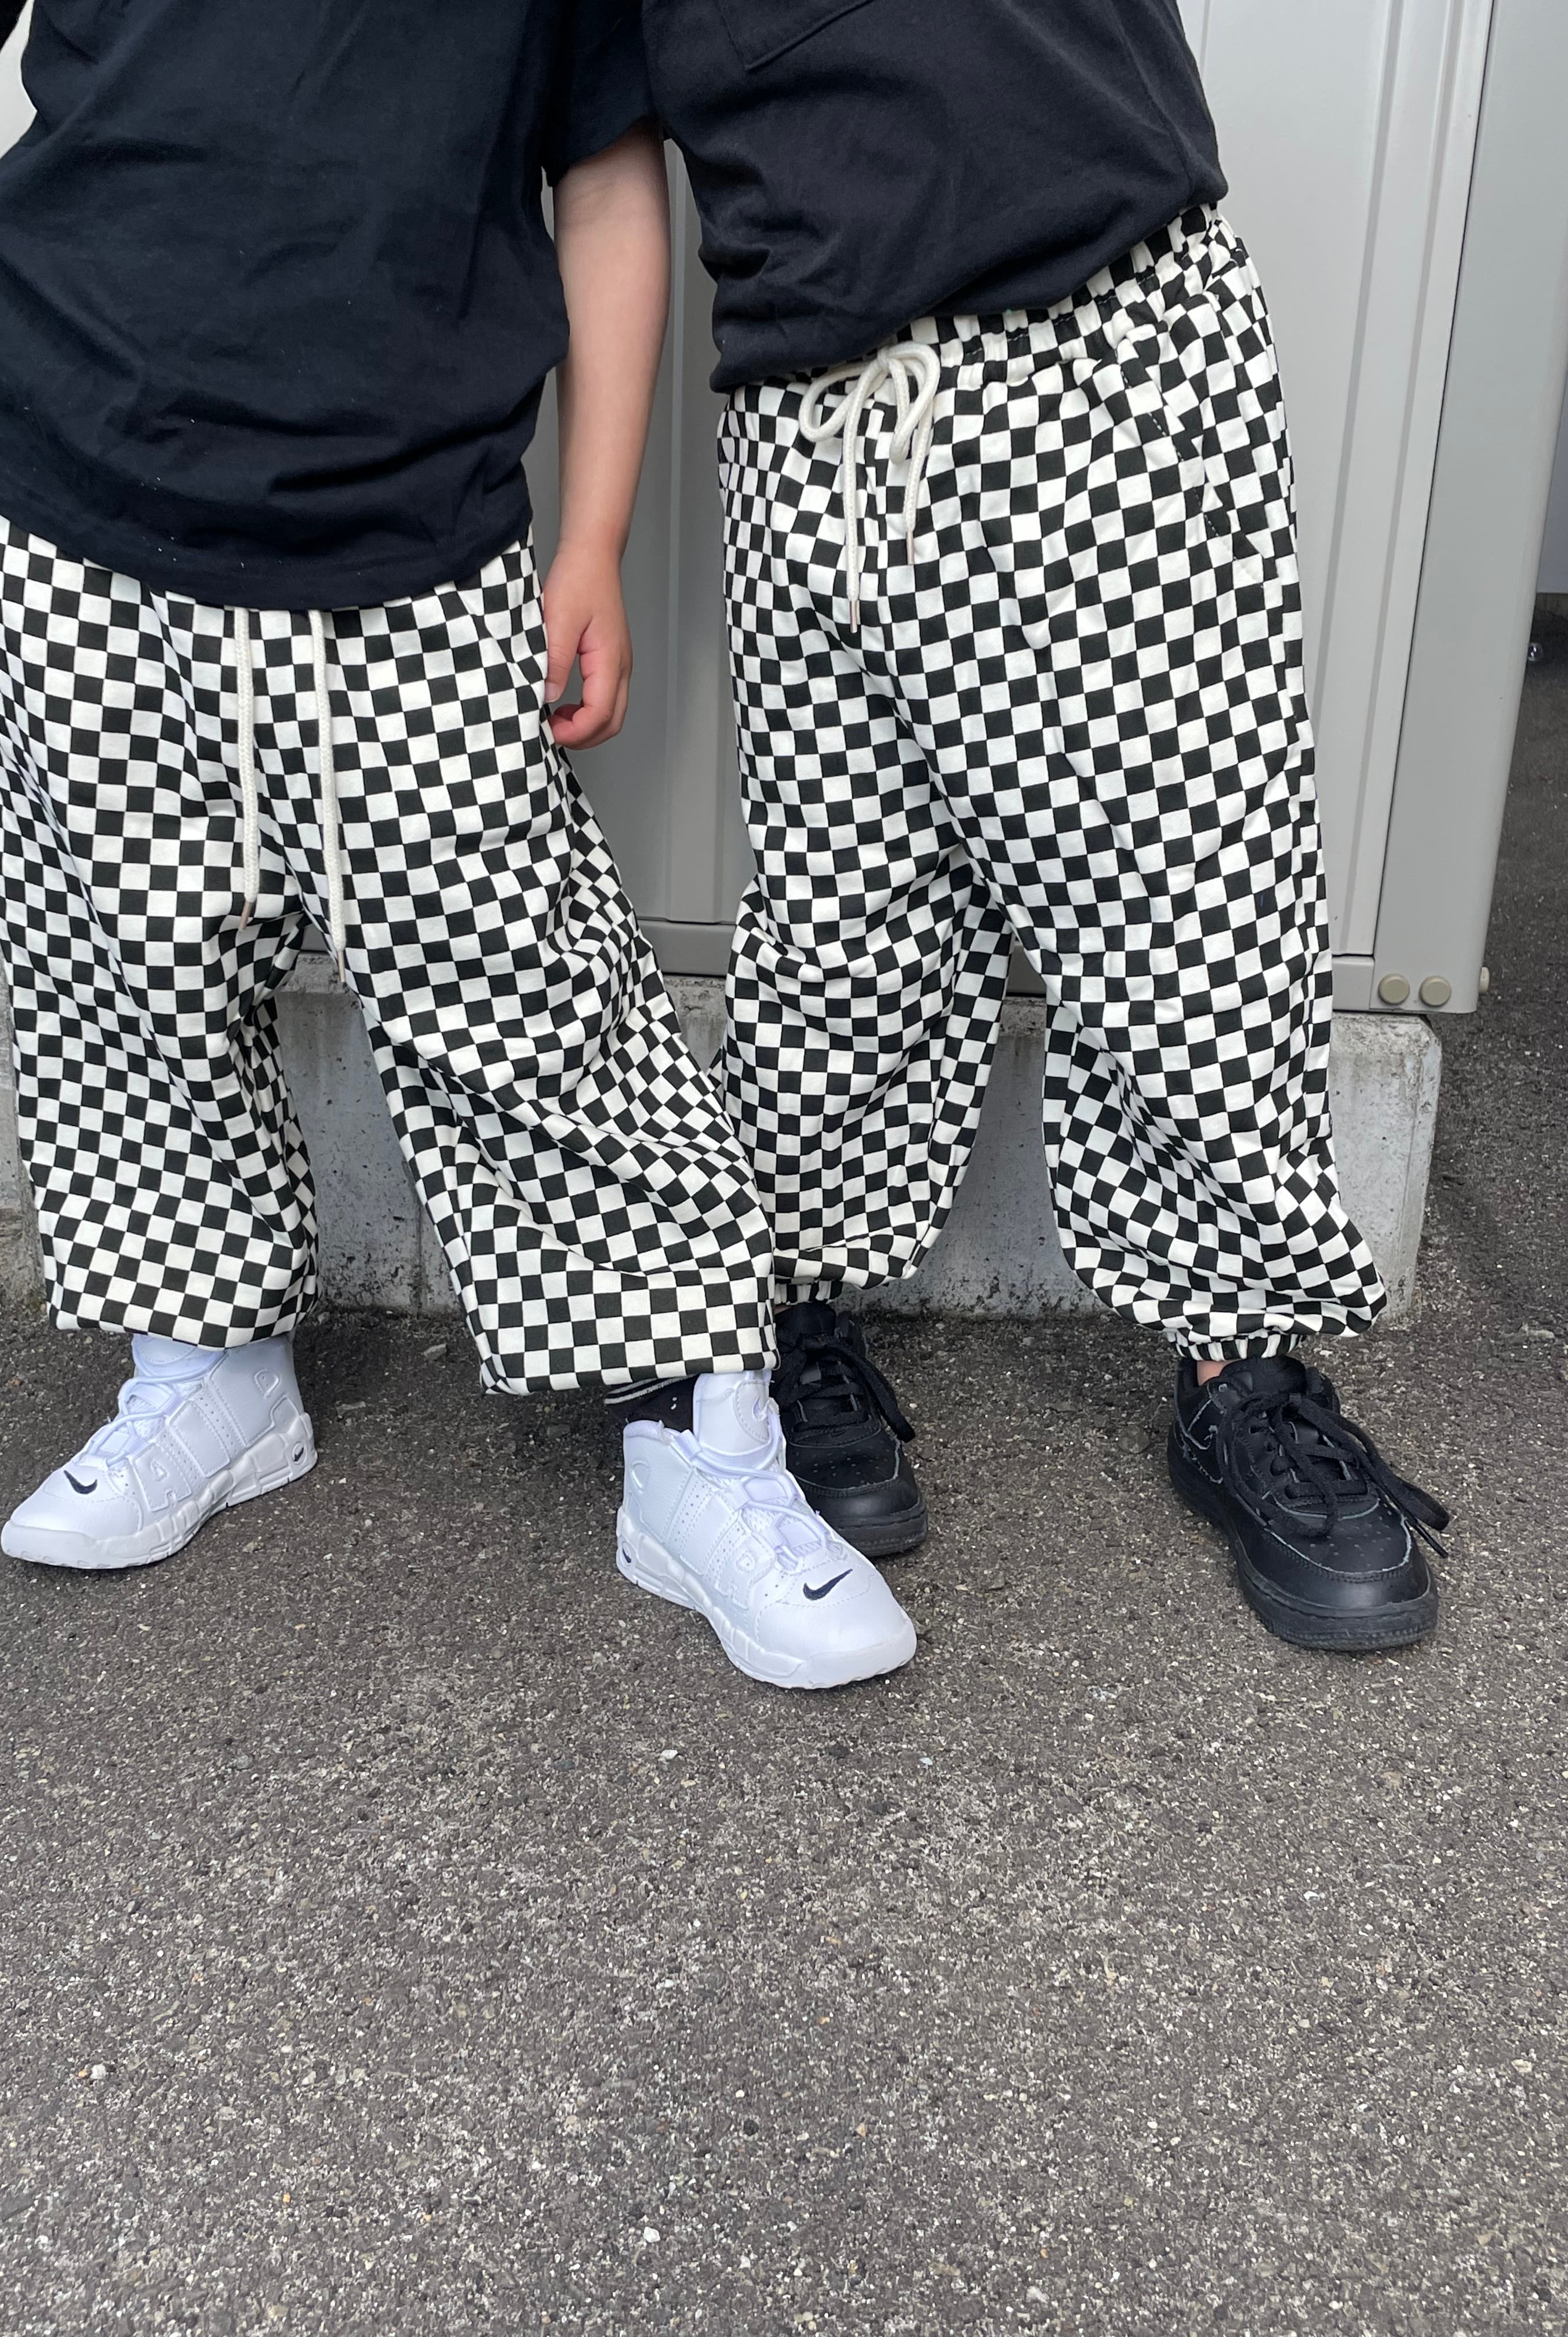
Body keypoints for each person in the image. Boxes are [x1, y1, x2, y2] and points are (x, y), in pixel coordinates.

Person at [0, 0, 917, 1690]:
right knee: (129, 982)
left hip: (412, 528)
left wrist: (596, 535)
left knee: (533, 1006)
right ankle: (207, 1373)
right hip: (68, 491)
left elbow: (608, 175)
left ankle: (705, 1442)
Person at [625, 0, 1450, 1651]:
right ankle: (794, 1309)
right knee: (845, 918)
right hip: (808, 394)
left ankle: (1241, 1368)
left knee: (1187, 897)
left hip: (1096, 337)